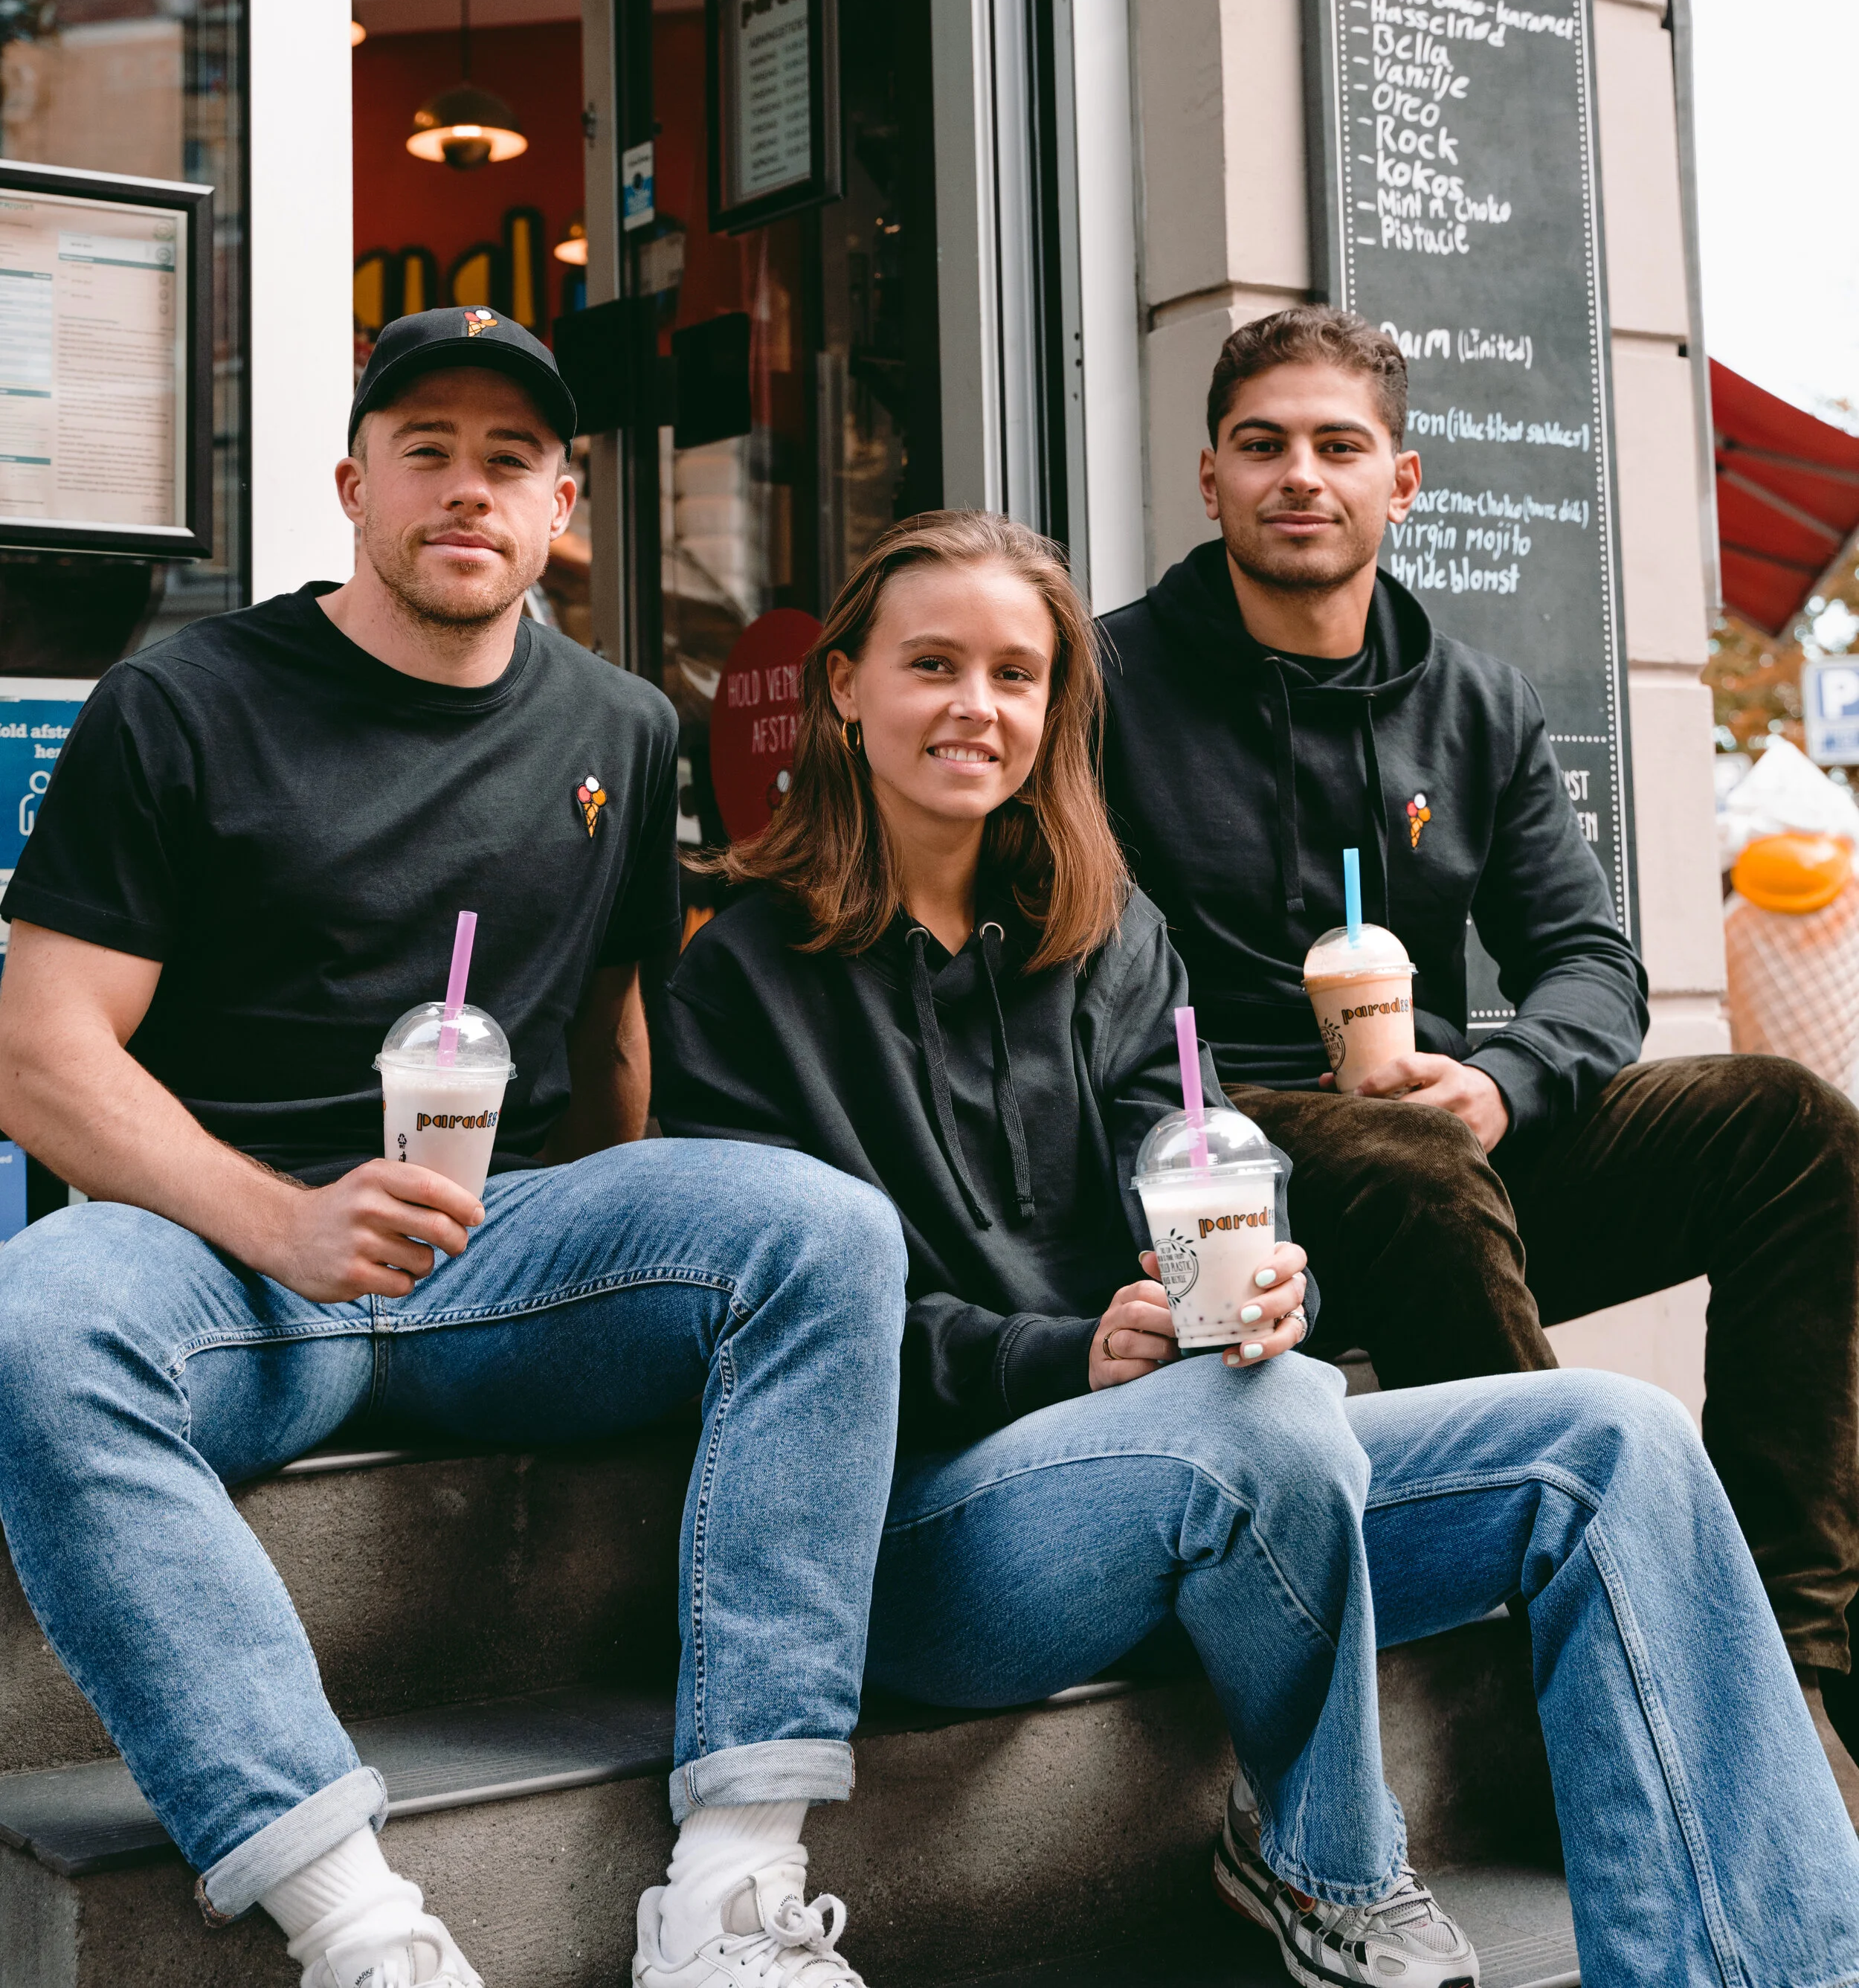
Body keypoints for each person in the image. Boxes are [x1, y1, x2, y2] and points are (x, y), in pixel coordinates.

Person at [655, 508, 1859, 1988]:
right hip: (931, 1541)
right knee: (1266, 1419)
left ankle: (1762, 1966)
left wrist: (1247, 1279)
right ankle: (1319, 1865)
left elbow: (1180, 1189)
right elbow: (774, 1323)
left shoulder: (1108, 946)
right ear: (842, 685)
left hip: (1209, 1481)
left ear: (1053, 712)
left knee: (1615, 1439)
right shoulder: (734, 978)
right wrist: (1063, 1353)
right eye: (932, 665)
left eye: (1015, 676)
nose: (976, 705)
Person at [0, 306, 909, 1988]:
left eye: (512, 463)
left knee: (823, 1229)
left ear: (563, 507)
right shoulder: (182, 703)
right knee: (37, 1320)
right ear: (353, 484)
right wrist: (281, 1225)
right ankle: (360, 1930)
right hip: (232, 1266)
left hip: (503, 1260)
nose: (468, 492)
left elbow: (613, 1039)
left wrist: (630, 1267)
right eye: (428, 453)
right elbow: (41, 1058)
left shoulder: (622, 730)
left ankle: (729, 1898)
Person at [1095, 300, 1859, 1756]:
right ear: (1209, 480)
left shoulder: (1475, 703)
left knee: (1788, 1126)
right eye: (1260, 447)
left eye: (1337, 445)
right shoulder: (1106, 685)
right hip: (1220, 1179)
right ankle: (1574, 1666)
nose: (1298, 477)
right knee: (1408, 1164)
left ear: (1402, 480)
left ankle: (1781, 1650)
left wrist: (1502, 1080)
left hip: (1433, 1153)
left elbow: (1584, 962)